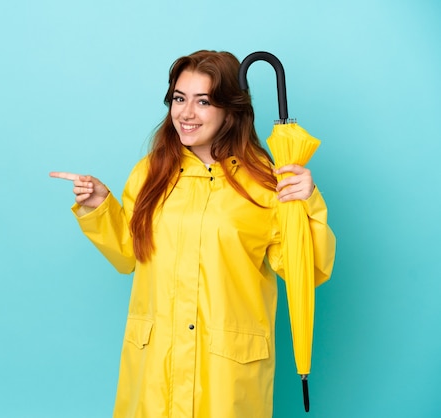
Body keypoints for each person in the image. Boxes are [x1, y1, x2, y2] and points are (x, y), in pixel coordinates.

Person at [50, 50, 336, 418]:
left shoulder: (267, 182)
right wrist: (101, 206)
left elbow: (306, 272)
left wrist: (307, 202)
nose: (186, 113)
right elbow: (128, 255)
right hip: (157, 368)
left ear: (231, 109)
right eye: (179, 99)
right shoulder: (151, 172)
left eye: (203, 101)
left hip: (225, 372)